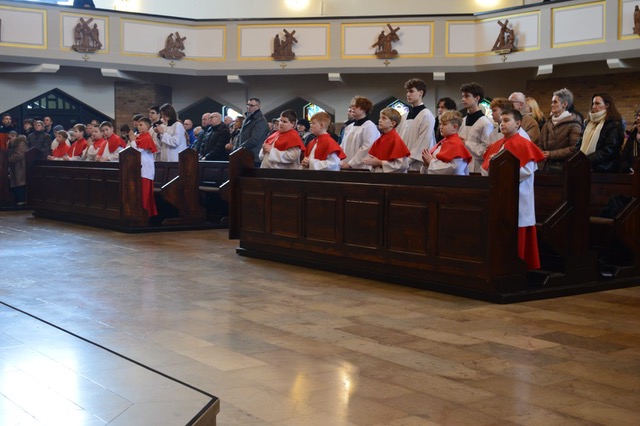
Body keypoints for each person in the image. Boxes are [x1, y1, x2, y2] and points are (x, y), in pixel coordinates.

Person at [481, 109, 545, 270]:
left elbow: (527, 171)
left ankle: (518, 266)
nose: (502, 124)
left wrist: (500, 169)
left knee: (517, 229)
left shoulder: (525, 144)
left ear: (518, 123)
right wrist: (494, 168)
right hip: (498, 194)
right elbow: (485, 169)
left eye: (506, 120)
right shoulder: (497, 144)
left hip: (518, 195)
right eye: (501, 121)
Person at [577, 93, 625, 173]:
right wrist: (577, 160)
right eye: (593, 103)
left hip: (605, 168)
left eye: (597, 103)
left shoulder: (615, 123)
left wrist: (586, 160)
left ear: (607, 105)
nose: (593, 106)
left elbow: (609, 149)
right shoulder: (588, 122)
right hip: (584, 165)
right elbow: (579, 144)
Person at [537, 88, 582, 173]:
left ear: (564, 104)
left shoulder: (573, 124)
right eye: (552, 102)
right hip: (544, 166)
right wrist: (541, 152)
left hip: (562, 167)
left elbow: (574, 148)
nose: (551, 105)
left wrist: (551, 154)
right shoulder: (547, 123)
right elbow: (540, 143)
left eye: (555, 102)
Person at [397, 78, 436, 171]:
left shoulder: (426, 115)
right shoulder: (404, 116)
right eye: (407, 92)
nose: (408, 94)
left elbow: (423, 141)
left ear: (420, 93)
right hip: (402, 163)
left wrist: (407, 161)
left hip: (417, 165)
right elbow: (399, 139)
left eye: (411, 91)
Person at [421, 110, 472, 175]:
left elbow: (455, 169)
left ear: (454, 127)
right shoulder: (442, 143)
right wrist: (426, 164)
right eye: (440, 124)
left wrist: (431, 161)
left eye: (444, 124)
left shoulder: (457, 145)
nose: (440, 127)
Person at [459, 82, 493, 173]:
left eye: (467, 96)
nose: (463, 99)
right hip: (461, 165)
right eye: (462, 96)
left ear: (477, 98)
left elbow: (486, 151)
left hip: (476, 168)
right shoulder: (462, 121)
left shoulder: (485, 123)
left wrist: (466, 143)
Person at [363, 107, 410, 173]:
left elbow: (402, 165)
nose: (379, 120)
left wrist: (380, 162)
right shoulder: (379, 140)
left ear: (392, 123)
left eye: (384, 118)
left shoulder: (396, 140)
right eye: (380, 117)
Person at [340, 95, 380, 169]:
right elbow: (342, 146)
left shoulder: (369, 126)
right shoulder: (349, 127)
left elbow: (366, 148)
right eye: (352, 106)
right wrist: (340, 161)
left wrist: (351, 164)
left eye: (356, 106)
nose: (352, 108)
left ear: (364, 109)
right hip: (345, 165)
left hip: (362, 167)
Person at [133, 117, 158, 217]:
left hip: (145, 169)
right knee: (140, 193)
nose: (138, 127)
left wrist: (132, 141)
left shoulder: (147, 138)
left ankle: (145, 214)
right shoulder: (139, 137)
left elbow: (137, 151)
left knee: (144, 193)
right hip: (139, 168)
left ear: (147, 126)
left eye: (141, 125)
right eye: (138, 125)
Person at [236, 98, 269, 165]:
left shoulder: (260, 120)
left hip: (254, 156)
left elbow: (254, 139)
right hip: (245, 154)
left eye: (251, 105)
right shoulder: (248, 118)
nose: (249, 107)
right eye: (248, 105)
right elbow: (241, 135)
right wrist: (236, 148)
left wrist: (239, 149)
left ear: (258, 106)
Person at [7, 133, 28, 206]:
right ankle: (17, 200)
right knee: (16, 183)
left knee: (20, 183)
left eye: (10, 138)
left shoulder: (21, 142)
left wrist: (9, 159)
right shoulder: (13, 144)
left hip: (20, 166)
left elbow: (19, 155)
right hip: (15, 166)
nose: (9, 140)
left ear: (15, 137)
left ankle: (22, 200)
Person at [620, 108, 640, 173]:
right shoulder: (632, 137)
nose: (638, 118)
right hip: (632, 175)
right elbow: (624, 158)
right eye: (637, 116)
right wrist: (628, 169)